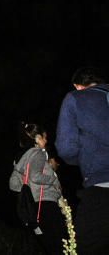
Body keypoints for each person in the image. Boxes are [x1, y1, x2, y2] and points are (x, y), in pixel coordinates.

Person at [55, 66, 109, 255]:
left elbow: (66, 148)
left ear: (78, 86)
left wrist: (84, 158)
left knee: (82, 247)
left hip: (101, 184)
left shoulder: (75, 98)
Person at [9, 122, 64, 254]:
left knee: (51, 246)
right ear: (38, 138)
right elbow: (35, 176)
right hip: (46, 204)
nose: (46, 140)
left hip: (33, 208)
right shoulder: (38, 153)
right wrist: (52, 179)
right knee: (62, 244)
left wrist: (27, 186)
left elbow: (13, 185)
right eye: (44, 137)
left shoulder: (22, 159)